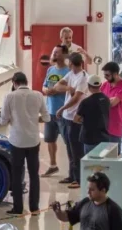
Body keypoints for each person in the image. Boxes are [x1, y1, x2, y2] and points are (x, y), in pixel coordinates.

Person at [0, 72, 48, 215]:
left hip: (17, 141)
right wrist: (33, 120)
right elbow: (46, 117)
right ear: (27, 82)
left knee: (17, 173)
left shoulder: (9, 96)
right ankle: (35, 208)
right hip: (33, 140)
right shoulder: (38, 95)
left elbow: (3, 120)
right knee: (34, 174)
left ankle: (18, 208)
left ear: (14, 83)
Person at [55, 52, 89, 189]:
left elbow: (76, 98)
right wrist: (68, 88)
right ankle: (71, 175)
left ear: (73, 64)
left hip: (76, 117)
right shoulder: (71, 74)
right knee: (69, 147)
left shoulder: (83, 77)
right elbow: (57, 86)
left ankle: (79, 178)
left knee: (76, 149)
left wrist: (62, 108)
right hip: (67, 118)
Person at [41, 45, 69, 176]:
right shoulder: (50, 70)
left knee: (68, 141)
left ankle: (72, 168)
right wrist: (46, 90)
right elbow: (44, 86)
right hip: (50, 111)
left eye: (57, 53)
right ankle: (53, 165)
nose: (54, 55)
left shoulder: (68, 72)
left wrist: (57, 90)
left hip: (63, 112)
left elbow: (72, 90)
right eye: (53, 52)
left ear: (64, 55)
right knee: (50, 139)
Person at [75, 75, 112, 156]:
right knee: (102, 164)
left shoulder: (86, 102)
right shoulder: (106, 99)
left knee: (90, 165)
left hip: (90, 139)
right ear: (100, 85)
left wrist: (84, 121)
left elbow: (76, 119)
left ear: (88, 86)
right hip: (104, 137)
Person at [100, 62, 122, 143]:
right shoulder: (105, 85)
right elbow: (98, 100)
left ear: (115, 74)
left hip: (115, 128)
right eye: (104, 75)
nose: (105, 77)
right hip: (104, 126)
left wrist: (104, 100)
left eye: (107, 75)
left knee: (115, 154)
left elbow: (113, 103)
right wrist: (108, 100)